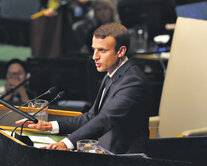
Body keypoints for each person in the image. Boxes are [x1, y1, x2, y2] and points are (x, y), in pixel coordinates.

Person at [16, 22, 151, 154]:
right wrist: (49, 126)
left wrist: (66, 143)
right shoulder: (112, 73)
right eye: (94, 49)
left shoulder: (133, 81)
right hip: (106, 154)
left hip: (126, 162)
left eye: (102, 50)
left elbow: (105, 119)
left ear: (121, 51)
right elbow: (91, 117)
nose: (94, 57)